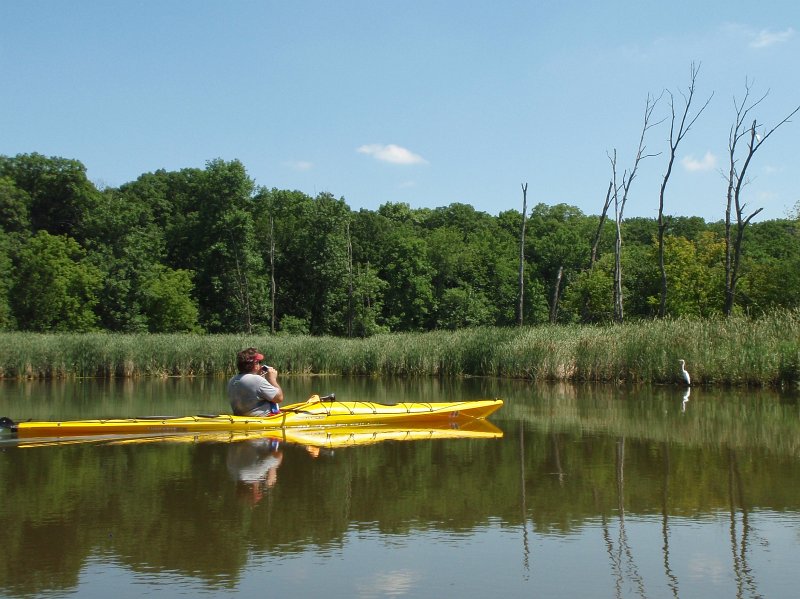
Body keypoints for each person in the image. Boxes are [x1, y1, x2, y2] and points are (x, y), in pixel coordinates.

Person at [227, 347, 284, 416]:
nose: (260, 365)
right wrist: (272, 380)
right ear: (255, 364)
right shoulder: (257, 380)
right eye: (259, 362)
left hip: (241, 418)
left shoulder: (232, 380)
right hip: (264, 419)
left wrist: (258, 377)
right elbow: (279, 398)